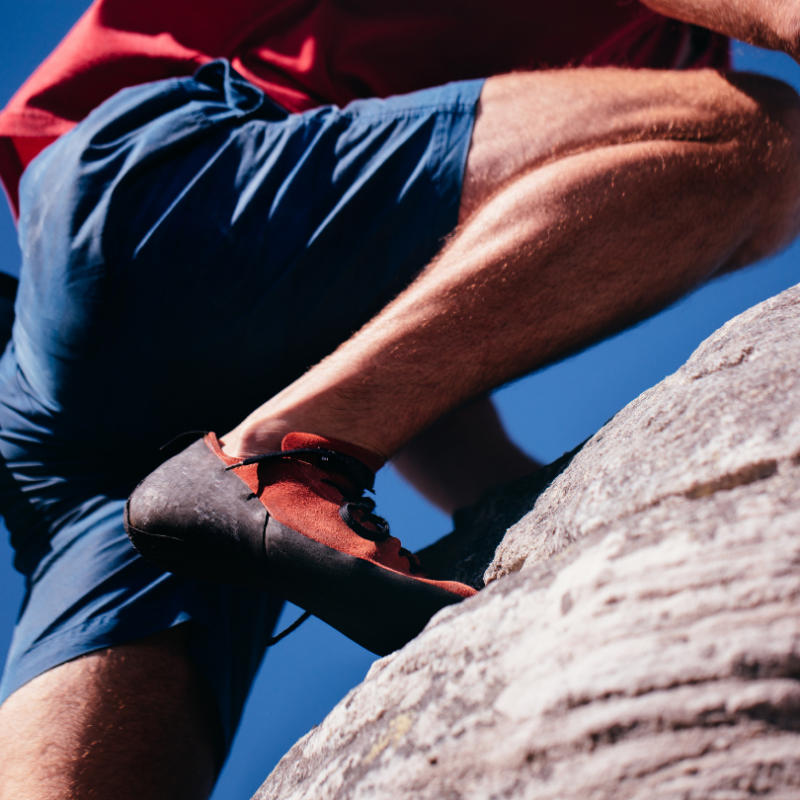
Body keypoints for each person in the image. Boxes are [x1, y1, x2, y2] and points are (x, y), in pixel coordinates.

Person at [1, 0, 799, 797]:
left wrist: (500, 506)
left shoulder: (649, 72)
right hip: (173, 175)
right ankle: (279, 459)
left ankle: (269, 465)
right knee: (766, 136)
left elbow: (392, 308)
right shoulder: (657, 82)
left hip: (127, 372)